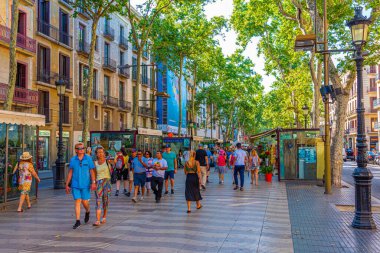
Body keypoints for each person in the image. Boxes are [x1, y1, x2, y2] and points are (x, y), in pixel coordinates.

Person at [66, 142, 96, 229]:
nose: (82, 150)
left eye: (83, 148)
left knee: (84, 201)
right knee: (77, 201)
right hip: (75, 185)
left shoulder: (88, 159)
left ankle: (87, 211)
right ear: (76, 150)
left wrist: (93, 182)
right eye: (79, 148)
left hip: (85, 184)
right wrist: (67, 184)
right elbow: (70, 172)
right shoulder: (73, 160)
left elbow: (92, 171)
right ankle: (78, 221)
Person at [93, 146, 111, 226]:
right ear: (96, 154)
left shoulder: (108, 161)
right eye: (98, 152)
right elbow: (94, 174)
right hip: (99, 183)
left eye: (101, 152)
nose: (100, 154)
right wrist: (94, 182)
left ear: (104, 153)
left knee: (105, 200)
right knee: (98, 200)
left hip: (107, 182)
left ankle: (104, 216)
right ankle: (97, 220)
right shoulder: (95, 163)